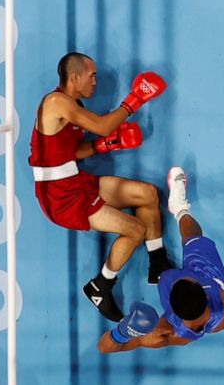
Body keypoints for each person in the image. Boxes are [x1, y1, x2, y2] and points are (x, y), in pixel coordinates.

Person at [29, 52, 171, 322]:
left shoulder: (70, 104)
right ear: (74, 77)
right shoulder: (57, 102)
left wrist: (102, 147)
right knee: (135, 230)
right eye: (91, 75)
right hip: (61, 198)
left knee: (147, 194)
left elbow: (73, 151)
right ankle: (101, 286)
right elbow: (103, 126)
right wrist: (135, 100)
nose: (95, 81)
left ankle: (158, 262)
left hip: (74, 182)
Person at [96, 167, 224, 352]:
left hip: (185, 290)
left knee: (168, 269)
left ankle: (178, 207)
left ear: (171, 304)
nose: (184, 274)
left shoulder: (165, 332)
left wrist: (121, 333)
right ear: (203, 290)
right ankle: (181, 209)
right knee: (192, 235)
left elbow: (103, 348)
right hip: (211, 280)